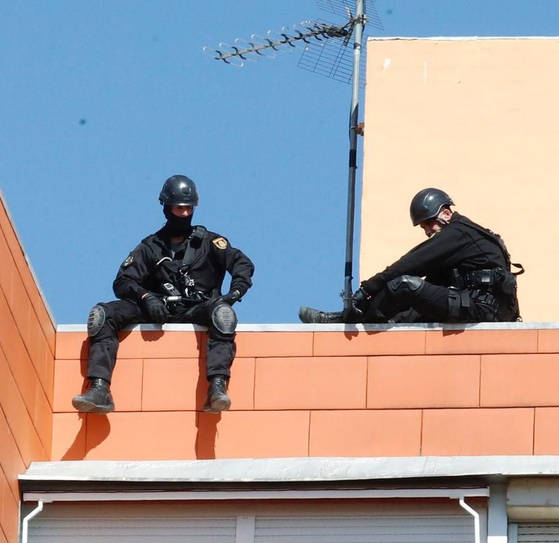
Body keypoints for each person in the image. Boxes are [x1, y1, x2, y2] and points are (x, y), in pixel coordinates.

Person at [72, 174, 254, 414]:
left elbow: (242, 263)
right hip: (156, 311)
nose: (186, 214)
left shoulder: (210, 242)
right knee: (102, 315)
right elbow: (123, 281)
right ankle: (99, 388)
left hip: (197, 308)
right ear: (167, 208)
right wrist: (146, 298)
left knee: (223, 315)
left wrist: (234, 292)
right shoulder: (150, 247)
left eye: (189, 208)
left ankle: (217, 388)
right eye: (180, 208)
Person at [298, 187, 520, 325]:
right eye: (423, 227)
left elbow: (411, 263)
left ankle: (347, 321)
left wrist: (367, 289)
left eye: (429, 223)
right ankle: (354, 320)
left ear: (446, 213)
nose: (428, 231)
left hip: (482, 309)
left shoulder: (459, 233)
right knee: (405, 311)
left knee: (403, 285)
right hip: (477, 306)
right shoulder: (460, 243)